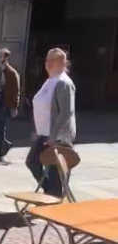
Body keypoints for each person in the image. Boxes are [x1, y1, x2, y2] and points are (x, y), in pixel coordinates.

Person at [27, 47, 76, 197]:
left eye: (52, 60)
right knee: (33, 162)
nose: (47, 63)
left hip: (57, 136)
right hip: (44, 133)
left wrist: (54, 135)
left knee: (54, 170)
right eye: (47, 59)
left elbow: (66, 112)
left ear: (63, 62)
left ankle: (54, 196)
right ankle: (52, 193)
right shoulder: (50, 80)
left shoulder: (63, 83)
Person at [0, 47, 21, 163]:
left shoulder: (12, 73)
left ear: (6, 58)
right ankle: (5, 145)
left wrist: (14, 107)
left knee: (0, 129)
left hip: (6, 105)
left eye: (1, 56)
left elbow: (16, 91)